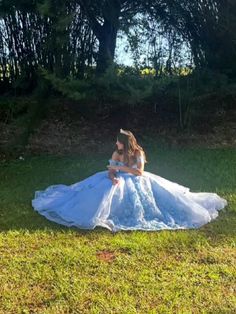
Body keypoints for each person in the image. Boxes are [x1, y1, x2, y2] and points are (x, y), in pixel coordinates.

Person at [32, 128, 227, 232]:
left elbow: (139, 172)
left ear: (125, 142)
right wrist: (113, 175)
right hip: (119, 178)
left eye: (118, 141)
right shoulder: (117, 153)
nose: (115, 143)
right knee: (102, 189)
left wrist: (119, 168)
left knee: (160, 200)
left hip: (137, 180)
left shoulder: (138, 152)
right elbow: (110, 169)